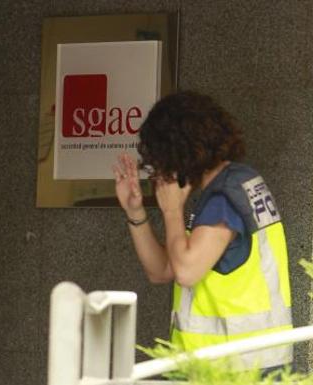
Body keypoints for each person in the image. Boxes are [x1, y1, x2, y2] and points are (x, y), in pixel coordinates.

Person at [113, 90, 293, 372]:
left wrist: (172, 212)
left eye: (160, 160)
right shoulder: (232, 186)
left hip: (234, 370)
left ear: (177, 152)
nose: (159, 172)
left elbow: (186, 271)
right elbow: (162, 270)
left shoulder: (224, 196)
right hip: (238, 365)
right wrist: (135, 212)